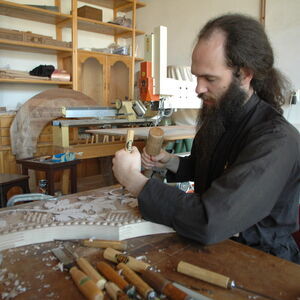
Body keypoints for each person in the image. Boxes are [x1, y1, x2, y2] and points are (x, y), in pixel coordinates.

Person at [112, 14, 300, 263]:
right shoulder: (221, 115)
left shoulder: (276, 141)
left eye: (209, 79)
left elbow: (210, 219)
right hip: (216, 247)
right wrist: (167, 161)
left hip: (262, 260)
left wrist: (134, 182)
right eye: (196, 76)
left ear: (244, 75)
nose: (198, 88)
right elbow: (203, 167)